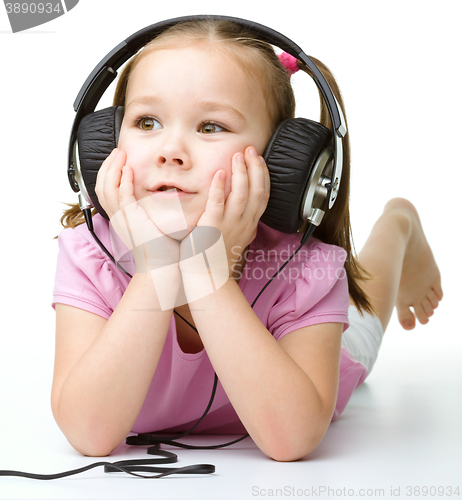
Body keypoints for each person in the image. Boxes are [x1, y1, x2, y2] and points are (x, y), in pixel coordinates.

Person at [51, 19, 443, 462]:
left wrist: (207, 274)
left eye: (211, 127)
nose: (170, 150)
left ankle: (399, 223)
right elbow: (88, 433)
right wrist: (156, 267)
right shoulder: (90, 255)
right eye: (147, 121)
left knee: (366, 315)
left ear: (280, 161)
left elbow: (290, 440)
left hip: (306, 365)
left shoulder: (302, 268)